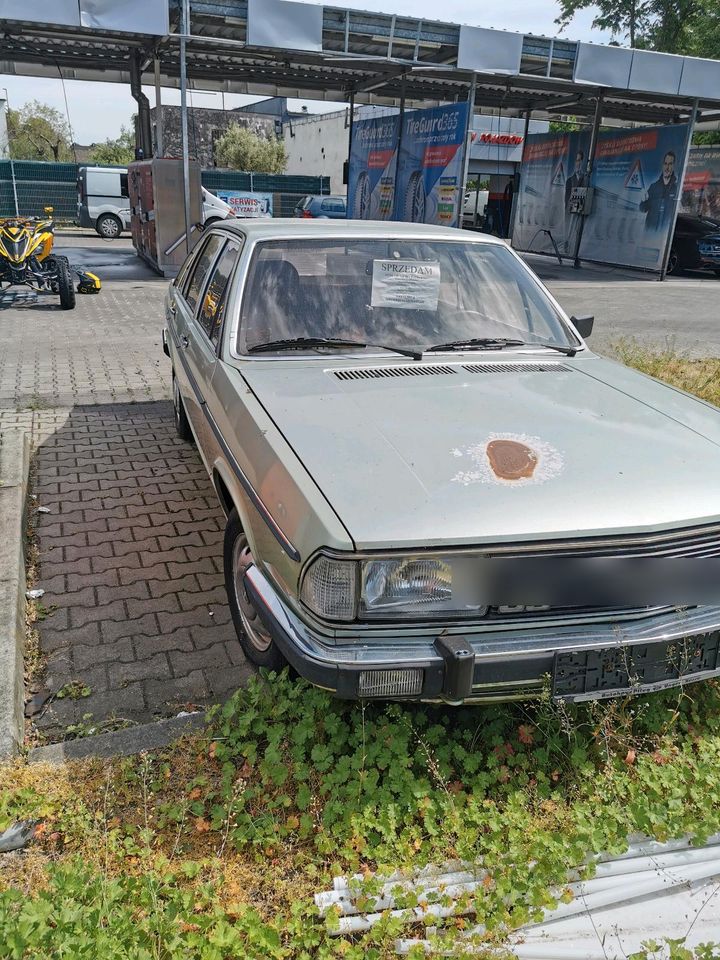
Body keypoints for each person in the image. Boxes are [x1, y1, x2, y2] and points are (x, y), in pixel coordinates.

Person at [640, 151, 678, 232]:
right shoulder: (653, 187)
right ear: (662, 165)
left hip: (665, 235)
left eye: (670, 164)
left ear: (673, 166)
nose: (667, 167)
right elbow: (643, 209)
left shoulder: (676, 189)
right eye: (665, 163)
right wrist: (643, 201)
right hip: (649, 234)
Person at [563, 150, 586, 253]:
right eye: (577, 160)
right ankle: (567, 246)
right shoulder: (570, 180)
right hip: (572, 208)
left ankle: (575, 249)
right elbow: (566, 198)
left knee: (578, 230)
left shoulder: (586, 178)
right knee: (570, 230)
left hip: (582, 208)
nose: (579, 163)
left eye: (580, 160)